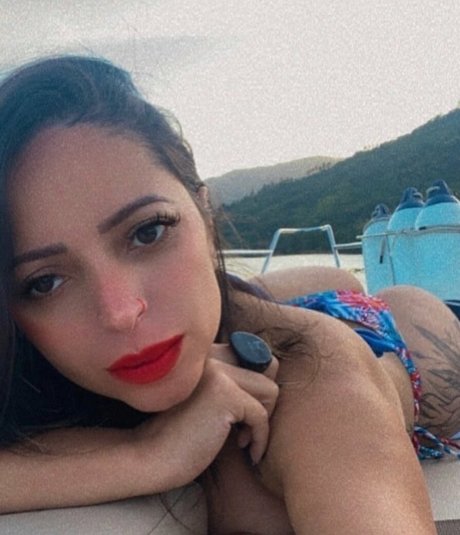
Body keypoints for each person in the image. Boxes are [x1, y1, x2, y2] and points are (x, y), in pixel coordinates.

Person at [0, 55, 458, 534]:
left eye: (148, 232)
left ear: (205, 211)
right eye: (44, 282)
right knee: (280, 294)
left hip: (397, 335)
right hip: (248, 308)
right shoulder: (29, 370)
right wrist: (144, 455)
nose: (119, 312)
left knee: (395, 307)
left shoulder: (315, 381)